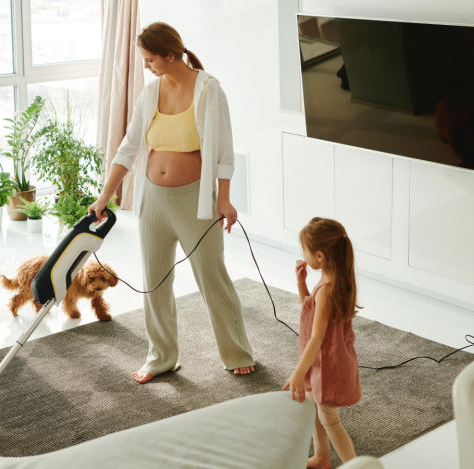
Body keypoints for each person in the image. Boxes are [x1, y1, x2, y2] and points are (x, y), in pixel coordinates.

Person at [88, 22, 255, 384]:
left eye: (151, 60)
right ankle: (162, 357)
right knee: (156, 281)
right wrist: (105, 196)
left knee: (213, 277)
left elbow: (224, 151)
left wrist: (224, 199)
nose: (147, 66)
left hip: (196, 201)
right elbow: (129, 148)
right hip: (153, 203)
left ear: (170, 54)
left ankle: (237, 351)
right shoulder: (150, 93)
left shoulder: (209, 90)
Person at [283, 217, 362, 468]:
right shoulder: (334, 277)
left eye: (304, 251)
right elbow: (312, 309)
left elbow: (317, 336)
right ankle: (322, 457)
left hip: (327, 364)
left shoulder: (328, 288)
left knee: (329, 418)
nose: (302, 256)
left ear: (319, 256)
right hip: (324, 360)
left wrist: (299, 372)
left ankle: (355, 465)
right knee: (314, 403)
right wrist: (301, 284)